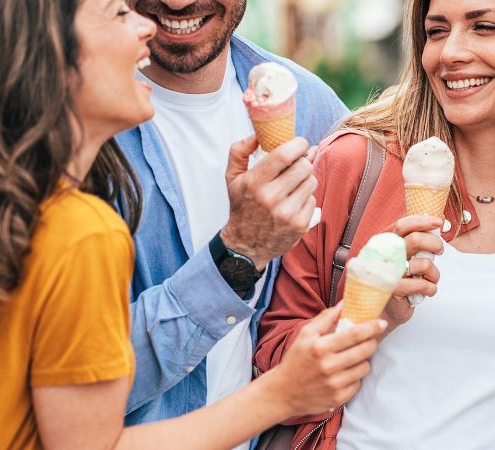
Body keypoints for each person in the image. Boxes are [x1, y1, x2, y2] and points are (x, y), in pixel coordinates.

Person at [0, 1, 381, 449]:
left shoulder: (310, 106)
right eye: (118, 12)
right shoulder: (85, 228)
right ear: (49, 48)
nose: (159, 15)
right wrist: (241, 255)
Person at [254, 0, 495, 448]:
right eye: (436, 31)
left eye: (485, 27)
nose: (450, 52)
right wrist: (369, 319)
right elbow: (272, 370)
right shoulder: (354, 164)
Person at [113, 1, 349, 444]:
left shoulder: (313, 108)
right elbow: (65, 384)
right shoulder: (74, 126)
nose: (179, 2)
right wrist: (239, 252)